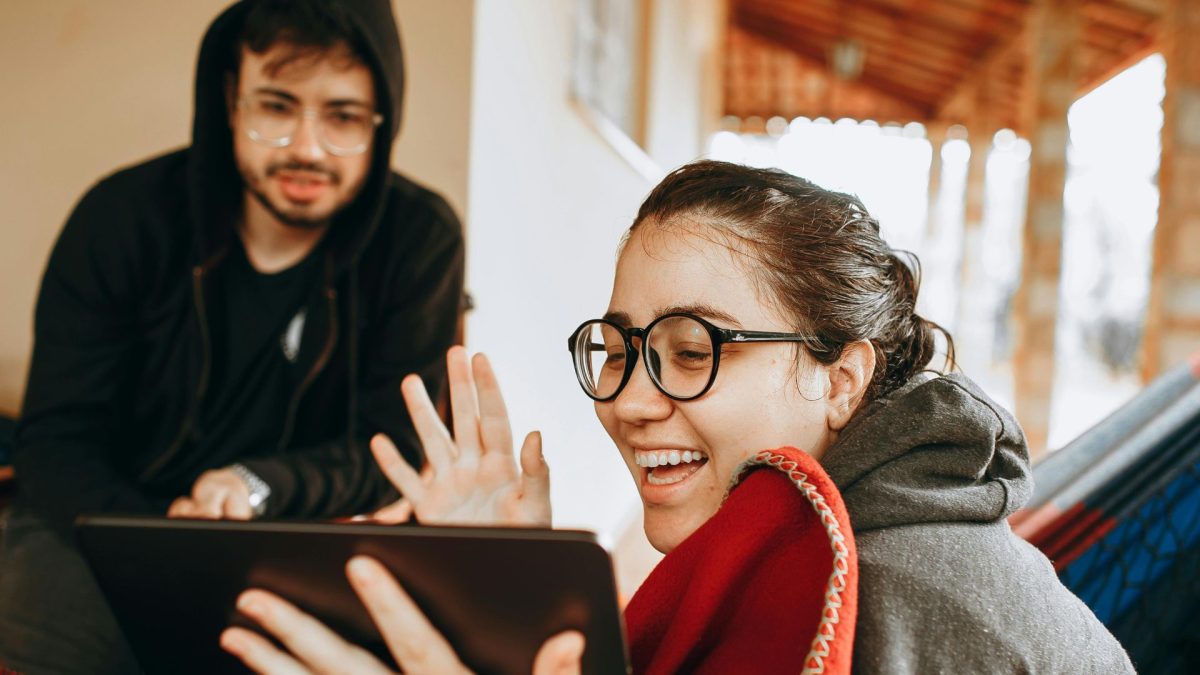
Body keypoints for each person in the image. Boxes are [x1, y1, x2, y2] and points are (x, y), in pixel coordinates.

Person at [222, 161, 1133, 673]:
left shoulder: (907, 605)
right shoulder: (789, 552)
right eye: (619, 349)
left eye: (693, 351)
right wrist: (513, 606)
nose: (627, 400)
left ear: (842, 379)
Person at [0, 1, 464, 673]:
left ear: (381, 120)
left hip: (298, 534)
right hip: (104, 521)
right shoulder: (121, 217)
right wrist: (164, 535)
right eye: (276, 107)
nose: (307, 148)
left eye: (342, 117)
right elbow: (57, 440)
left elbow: (386, 448)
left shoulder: (420, 241)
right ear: (230, 98)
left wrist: (255, 485)